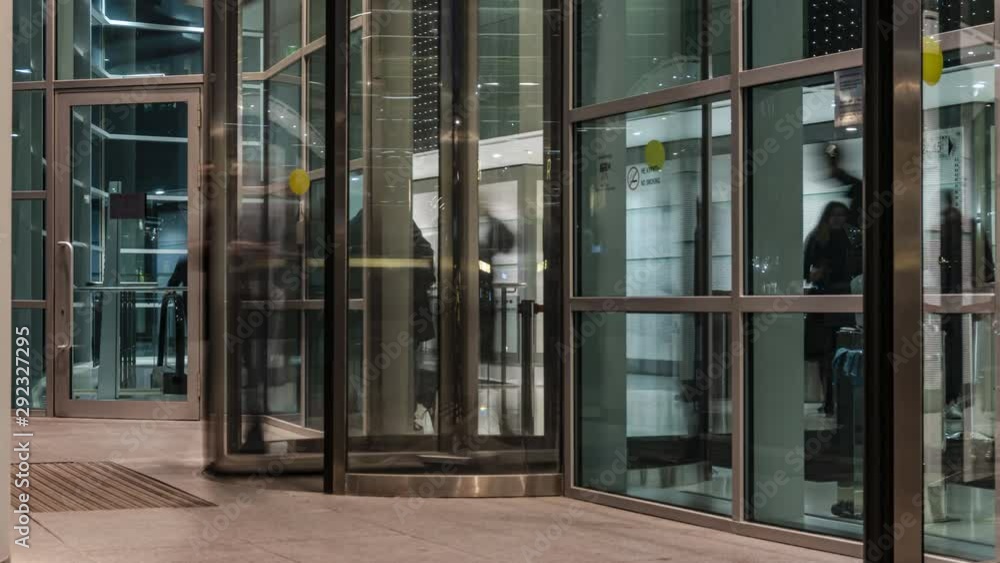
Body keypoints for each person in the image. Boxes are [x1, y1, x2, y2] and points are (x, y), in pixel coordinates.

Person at [804, 201, 856, 416]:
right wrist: (815, 274)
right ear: (827, 216)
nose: (838, 219)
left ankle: (835, 401)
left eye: (841, 215)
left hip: (836, 298)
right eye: (834, 215)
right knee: (827, 353)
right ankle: (830, 401)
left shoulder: (843, 238)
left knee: (837, 352)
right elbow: (805, 270)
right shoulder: (820, 238)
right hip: (828, 298)